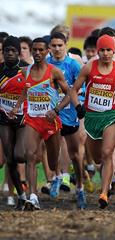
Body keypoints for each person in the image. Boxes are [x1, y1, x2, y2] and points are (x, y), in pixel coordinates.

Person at [9, 37, 71, 210]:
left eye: (40, 50)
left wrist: (57, 110)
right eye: (34, 50)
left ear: (47, 51)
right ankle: (33, 197)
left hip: (51, 123)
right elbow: (24, 90)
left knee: (52, 163)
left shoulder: (54, 72)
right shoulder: (25, 71)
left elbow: (69, 94)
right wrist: (16, 107)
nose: (37, 53)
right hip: (32, 121)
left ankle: (57, 176)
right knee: (29, 156)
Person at [70, 34, 115, 209]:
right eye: (102, 50)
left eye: (109, 50)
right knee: (97, 159)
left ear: (113, 50)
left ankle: (104, 192)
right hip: (92, 117)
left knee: (107, 153)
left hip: (111, 116)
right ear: (98, 51)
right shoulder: (89, 67)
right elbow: (74, 90)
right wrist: (78, 106)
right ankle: (104, 184)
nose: (105, 53)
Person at [47, 32, 86, 208]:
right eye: (53, 46)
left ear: (66, 45)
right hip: (50, 115)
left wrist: (70, 98)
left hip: (69, 114)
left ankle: (79, 187)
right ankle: (56, 177)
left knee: (75, 154)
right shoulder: (45, 64)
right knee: (53, 150)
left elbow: (80, 89)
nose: (56, 49)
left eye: (59, 45)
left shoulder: (73, 65)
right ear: (49, 47)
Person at [0, 36, 29, 210]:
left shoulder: (26, 70)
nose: (10, 53)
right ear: (3, 53)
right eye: (7, 51)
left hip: (22, 119)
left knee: (19, 155)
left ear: (18, 52)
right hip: (3, 118)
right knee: (10, 159)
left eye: (13, 51)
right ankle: (21, 196)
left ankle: (26, 186)